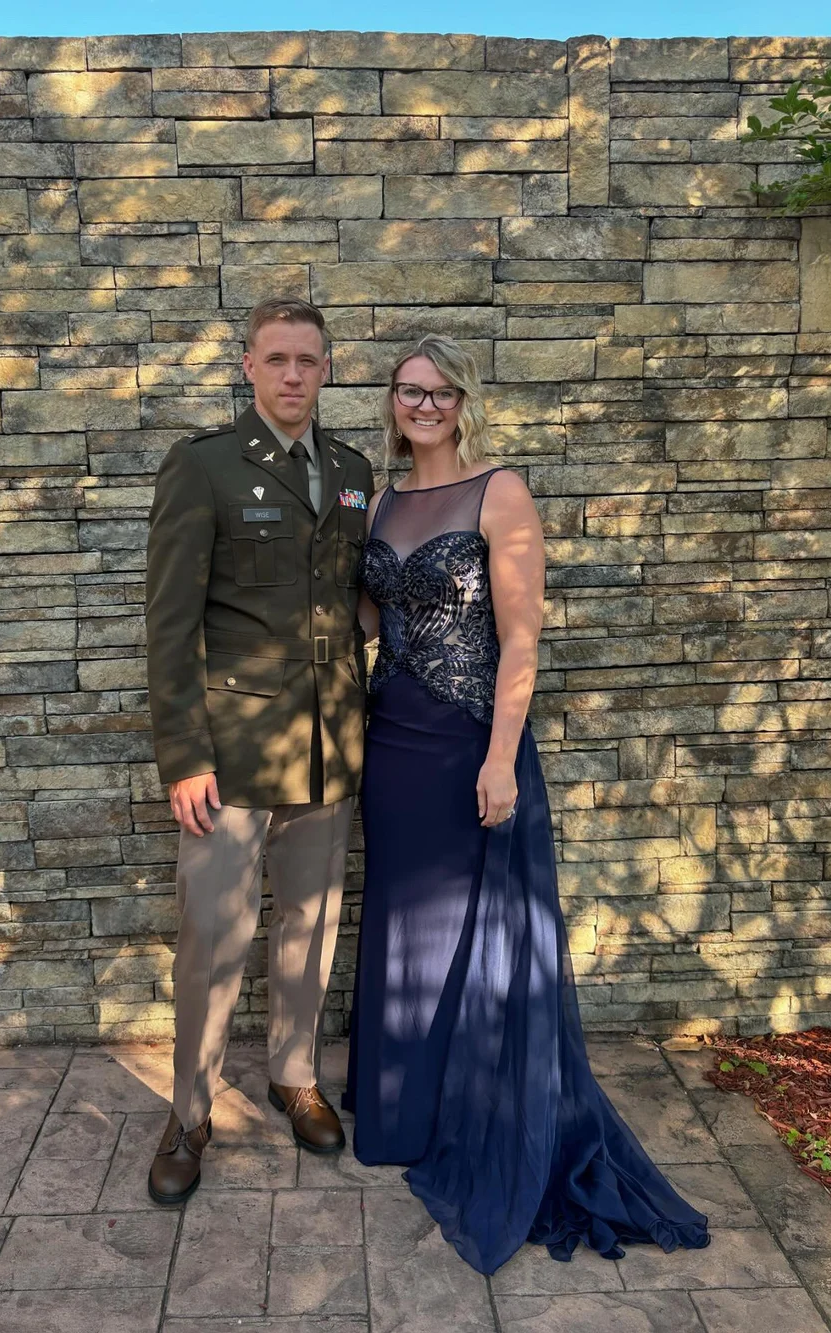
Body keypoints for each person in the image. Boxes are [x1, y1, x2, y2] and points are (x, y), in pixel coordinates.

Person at [343, 335, 710, 1274]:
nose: (421, 405)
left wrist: (502, 757)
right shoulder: (381, 500)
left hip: (472, 745)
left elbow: (520, 639)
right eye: (407, 391)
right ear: (392, 401)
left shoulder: (498, 490)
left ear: (465, 401)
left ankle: (480, 1116)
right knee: (402, 923)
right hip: (393, 743)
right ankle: (405, 1108)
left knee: (480, 935)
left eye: (439, 392)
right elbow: (372, 619)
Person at [144, 297, 374, 1205]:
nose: (291, 375)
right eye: (275, 358)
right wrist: (182, 755)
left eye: (307, 360)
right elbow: (170, 626)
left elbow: (357, 600)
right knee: (212, 933)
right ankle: (189, 1112)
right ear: (247, 365)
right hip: (231, 751)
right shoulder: (202, 467)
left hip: (327, 744)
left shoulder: (352, 473)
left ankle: (292, 1074)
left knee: (310, 928)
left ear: (326, 368)